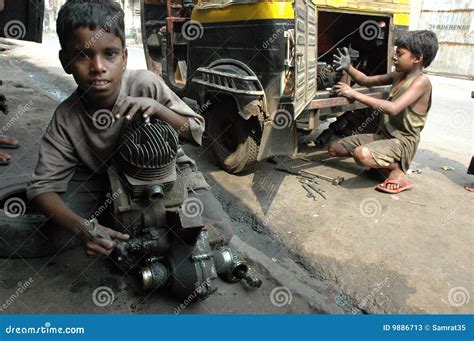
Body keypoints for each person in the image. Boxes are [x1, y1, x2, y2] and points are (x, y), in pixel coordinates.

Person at [25, 0, 232, 258]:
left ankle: (143, 243)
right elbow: (40, 189)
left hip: (167, 171)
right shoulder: (67, 118)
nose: (98, 67)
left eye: (109, 54)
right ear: (65, 61)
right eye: (82, 55)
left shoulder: (145, 84)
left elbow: (194, 129)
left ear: (123, 58)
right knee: (55, 233)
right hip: (100, 178)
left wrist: (157, 108)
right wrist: (83, 228)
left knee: (221, 229)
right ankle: (151, 238)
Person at [328, 30, 439, 194]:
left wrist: (353, 93)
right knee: (333, 147)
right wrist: (348, 67)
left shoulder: (422, 82)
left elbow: (393, 108)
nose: (394, 57)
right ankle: (381, 166)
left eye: (400, 54)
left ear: (417, 58)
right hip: (384, 136)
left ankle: (398, 170)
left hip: (402, 142)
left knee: (361, 155)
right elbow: (365, 80)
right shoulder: (398, 75)